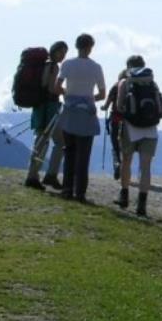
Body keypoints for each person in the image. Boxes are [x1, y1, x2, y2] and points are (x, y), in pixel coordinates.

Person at [54, 33, 106, 202]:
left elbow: (57, 87)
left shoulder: (67, 64)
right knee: (84, 155)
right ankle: (80, 192)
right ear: (90, 47)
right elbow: (102, 94)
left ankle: (67, 189)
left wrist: (68, 95)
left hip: (69, 112)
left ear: (76, 46)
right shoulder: (96, 67)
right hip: (87, 115)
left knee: (69, 151)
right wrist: (89, 99)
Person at [115, 56, 162, 217]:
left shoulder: (124, 82)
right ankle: (142, 205)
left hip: (130, 128)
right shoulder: (152, 83)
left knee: (126, 161)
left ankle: (124, 196)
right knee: (146, 167)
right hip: (150, 129)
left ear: (128, 66)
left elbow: (119, 106)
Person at [23, 41, 68, 190]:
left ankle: (33, 175)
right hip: (49, 107)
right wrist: (66, 91)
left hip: (39, 106)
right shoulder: (54, 67)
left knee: (40, 140)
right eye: (61, 52)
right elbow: (52, 88)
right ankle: (48, 175)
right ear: (54, 51)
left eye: (64, 53)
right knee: (59, 142)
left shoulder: (43, 65)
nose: (63, 56)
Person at [101, 70, 128, 181]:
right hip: (127, 121)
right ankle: (125, 170)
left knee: (115, 144)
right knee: (126, 146)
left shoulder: (115, 87)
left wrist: (103, 107)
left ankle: (117, 163)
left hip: (115, 120)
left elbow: (107, 105)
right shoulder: (131, 87)